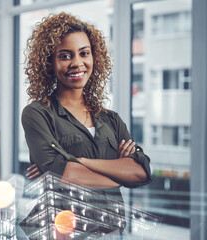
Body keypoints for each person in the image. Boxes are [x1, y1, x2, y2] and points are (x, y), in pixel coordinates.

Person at [22, 12, 151, 238]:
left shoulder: (111, 119)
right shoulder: (37, 114)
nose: (77, 63)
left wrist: (79, 161)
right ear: (49, 63)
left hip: (111, 230)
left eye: (84, 53)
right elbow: (65, 174)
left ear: (94, 57)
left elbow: (141, 172)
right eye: (65, 56)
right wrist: (119, 176)